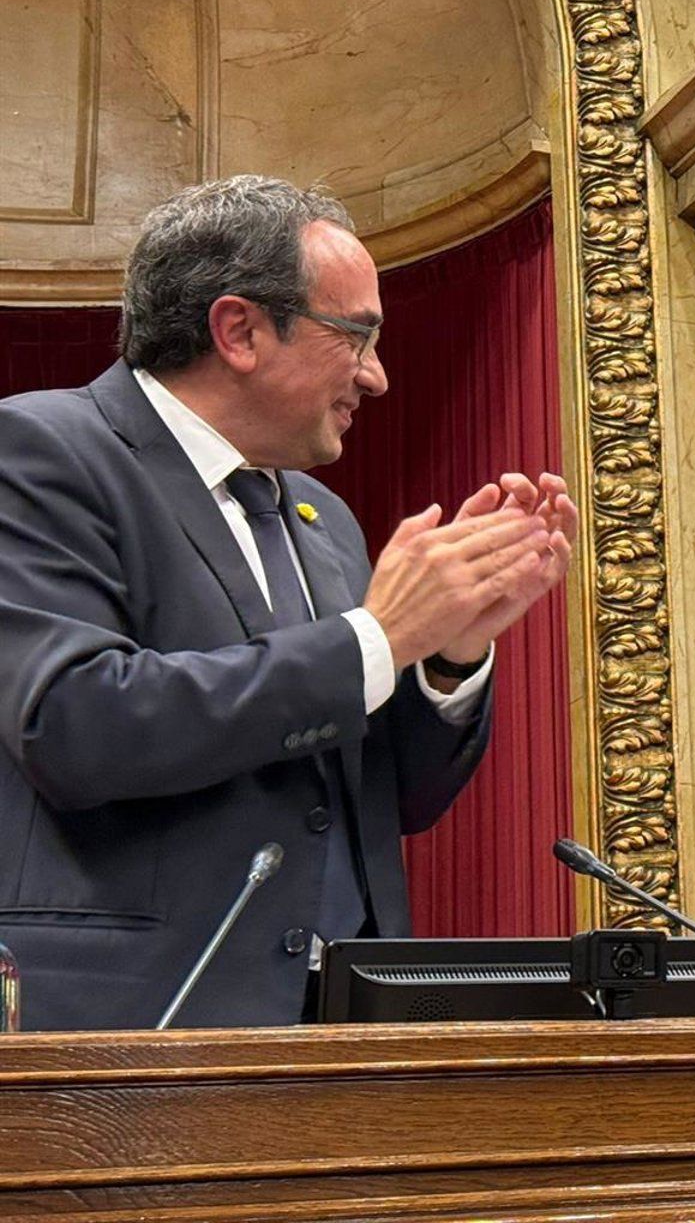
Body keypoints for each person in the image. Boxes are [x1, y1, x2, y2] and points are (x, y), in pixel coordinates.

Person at [0, 176, 576, 1030]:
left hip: (339, 1027)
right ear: (239, 331)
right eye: (357, 336)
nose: (376, 377)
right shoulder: (41, 450)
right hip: (136, 1023)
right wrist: (376, 638)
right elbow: (78, 725)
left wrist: (447, 652)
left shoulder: (323, 519)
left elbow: (392, 799)